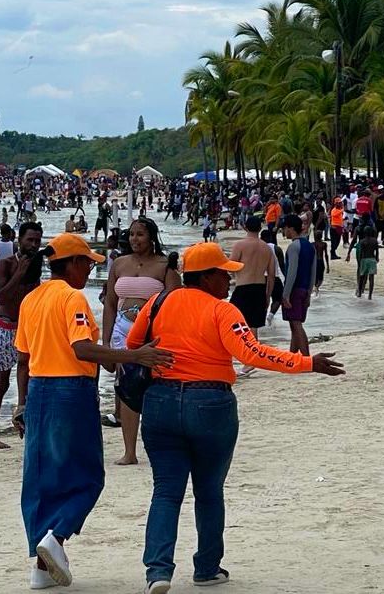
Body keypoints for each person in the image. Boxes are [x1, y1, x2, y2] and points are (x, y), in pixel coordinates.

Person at [125, 242, 344, 593]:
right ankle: (207, 568)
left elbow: (134, 346)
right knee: (209, 491)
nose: (229, 280)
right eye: (224, 273)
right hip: (210, 403)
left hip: (161, 403)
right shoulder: (223, 311)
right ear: (207, 277)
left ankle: (158, 571)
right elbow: (252, 353)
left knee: (165, 492)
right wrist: (308, 363)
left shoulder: (158, 303)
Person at [13, 233, 173, 590]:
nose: (89, 269)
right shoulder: (73, 298)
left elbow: (23, 359)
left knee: (41, 478)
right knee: (87, 476)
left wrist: (21, 403)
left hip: (39, 389)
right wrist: (135, 355)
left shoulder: (31, 299)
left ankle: (41, 565)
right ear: (69, 264)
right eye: (86, 262)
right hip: (70, 390)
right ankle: (57, 537)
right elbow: (83, 349)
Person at [102, 217, 180, 465]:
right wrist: (106, 341)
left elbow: (176, 304)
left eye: (140, 235)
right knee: (126, 387)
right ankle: (129, 451)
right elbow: (110, 304)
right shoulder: (119, 264)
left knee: (156, 385)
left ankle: (161, 445)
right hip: (122, 329)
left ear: (152, 237)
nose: (135, 239)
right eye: (132, 234)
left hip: (153, 331)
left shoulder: (164, 265)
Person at [0, 221, 43, 449]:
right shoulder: (6, 264)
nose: (34, 244)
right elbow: (0, 297)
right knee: (1, 383)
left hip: (27, 327)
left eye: (37, 241)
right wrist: (19, 273)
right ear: (19, 240)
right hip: (4, 327)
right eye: (30, 240)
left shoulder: (37, 265)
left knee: (28, 378)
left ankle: (24, 425)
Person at [228, 215, 275, 377]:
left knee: (233, 324)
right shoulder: (266, 248)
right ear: (260, 228)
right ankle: (250, 360)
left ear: (245, 227)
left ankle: (247, 359)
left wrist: (234, 277)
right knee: (253, 325)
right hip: (260, 288)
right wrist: (268, 295)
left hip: (243, 288)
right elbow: (271, 274)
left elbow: (230, 266)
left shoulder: (240, 245)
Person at [280, 214, 316, 355]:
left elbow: (291, 272)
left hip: (294, 290)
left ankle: (306, 358)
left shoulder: (294, 247)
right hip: (304, 289)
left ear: (290, 228)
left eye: (285, 228)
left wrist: (286, 294)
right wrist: (309, 293)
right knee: (294, 325)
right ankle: (292, 356)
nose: (284, 231)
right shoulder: (309, 246)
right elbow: (313, 272)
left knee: (296, 324)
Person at [353, 226, 379, 299]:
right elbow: (377, 251)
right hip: (372, 259)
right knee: (371, 278)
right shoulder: (375, 241)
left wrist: (360, 261)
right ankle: (370, 295)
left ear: (364, 233)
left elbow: (361, 252)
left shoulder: (362, 241)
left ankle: (360, 293)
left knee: (362, 277)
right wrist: (377, 258)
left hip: (364, 260)